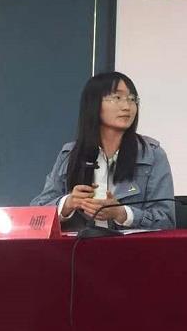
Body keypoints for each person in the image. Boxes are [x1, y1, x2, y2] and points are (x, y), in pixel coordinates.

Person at [31, 72, 176, 231]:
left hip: (130, 246)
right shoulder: (70, 154)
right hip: (79, 245)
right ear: (94, 104)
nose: (127, 107)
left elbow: (166, 220)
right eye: (117, 98)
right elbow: (36, 213)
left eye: (132, 99)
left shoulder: (152, 155)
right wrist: (68, 203)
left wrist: (122, 214)